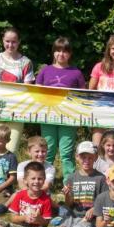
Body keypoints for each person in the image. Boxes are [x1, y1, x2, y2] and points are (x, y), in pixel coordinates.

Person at [36, 37, 86, 181]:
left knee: (66, 153)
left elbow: (83, 95)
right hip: (48, 117)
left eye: (65, 51)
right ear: (53, 52)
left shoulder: (76, 73)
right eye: (58, 50)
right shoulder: (45, 71)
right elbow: (36, 93)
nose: (61, 54)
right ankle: (43, 181)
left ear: (70, 54)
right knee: (47, 151)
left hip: (69, 118)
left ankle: (68, 184)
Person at [0, 162, 68, 227]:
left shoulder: (46, 199)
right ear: (25, 180)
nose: (36, 181)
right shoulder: (20, 195)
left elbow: (46, 223)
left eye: (40, 179)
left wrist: (39, 219)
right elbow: (12, 218)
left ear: (44, 180)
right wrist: (24, 218)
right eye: (33, 178)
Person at [0, 27, 34, 154]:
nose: (10, 45)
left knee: (11, 150)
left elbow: (27, 89)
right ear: (3, 40)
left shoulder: (26, 63)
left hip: (17, 110)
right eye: (7, 41)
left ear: (19, 42)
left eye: (14, 41)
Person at [61, 141, 109, 219]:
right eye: (83, 157)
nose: (87, 161)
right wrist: (67, 195)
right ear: (77, 157)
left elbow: (106, 201)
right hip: (74, 216)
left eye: (90, 158)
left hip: (92, 218)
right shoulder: (71, 178)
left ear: (96, 157)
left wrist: (94, 209)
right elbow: (68, 205)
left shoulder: (101, 178)